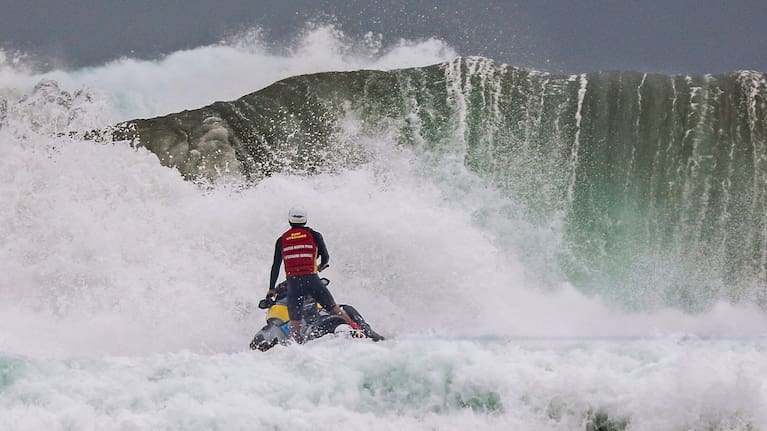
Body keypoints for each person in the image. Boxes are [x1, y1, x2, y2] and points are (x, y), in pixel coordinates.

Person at [267, 206, 359, 342]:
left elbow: (276, 266)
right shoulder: (315, 235)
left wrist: (271, 289)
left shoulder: (281, 240)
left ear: (289, 220)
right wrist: (320, 267)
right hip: (312, 280)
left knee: (295, 324)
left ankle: (296, 347)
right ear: (305, 220)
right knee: (334, 309)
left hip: (293, 284)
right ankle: (357, 331)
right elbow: (326, 257)